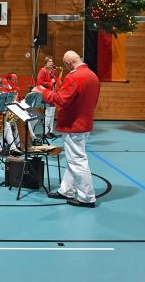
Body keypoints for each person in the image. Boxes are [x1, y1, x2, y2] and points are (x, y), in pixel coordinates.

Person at [34, 50, 100, 208]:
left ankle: (86, 197)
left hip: (74, 124)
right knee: (73, 159)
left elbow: (61, 100)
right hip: (84, 123)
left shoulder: (75, 76)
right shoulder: (92, 75)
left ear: (69, 63)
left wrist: (42, 92)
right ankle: (67, 190)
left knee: (77, 160)